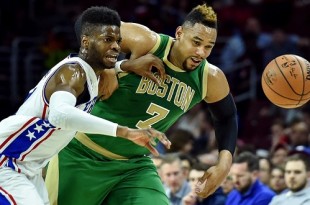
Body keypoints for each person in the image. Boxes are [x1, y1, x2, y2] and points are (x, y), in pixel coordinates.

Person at [45, 3, 238, 205]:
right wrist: (108, 66)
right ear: (179, 33)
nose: (201, 52)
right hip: (81, 153)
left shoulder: (210, 78)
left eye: (209, 46)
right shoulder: (147, 42)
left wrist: (224, 163)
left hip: (133, 166)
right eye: (196, 42)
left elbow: (227, 116)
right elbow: (87, 24)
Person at [0, 6, 170, 205]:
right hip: (7, 161)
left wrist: (126, 65)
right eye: (108, 40)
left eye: (118, 41)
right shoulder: (73, 72)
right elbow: (60, 115)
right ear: (86, 41)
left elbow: (101, 70)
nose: (116, 46)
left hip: (29, 167)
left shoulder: (91, 75)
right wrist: (124, 131)